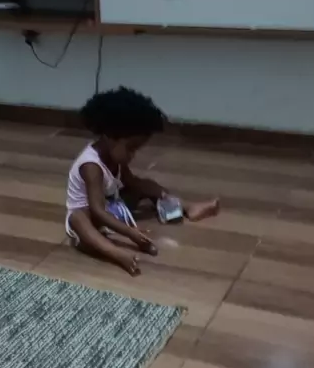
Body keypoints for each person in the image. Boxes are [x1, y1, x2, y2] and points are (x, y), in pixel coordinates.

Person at [66, 86, 220, 276]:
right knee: (78, 219)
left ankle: (186, 207)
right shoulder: (91, 166)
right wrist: (129, 232)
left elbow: (132, 183)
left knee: (144, 185)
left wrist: (150, 192)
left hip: (111, 206)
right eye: (130, 148)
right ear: (109, 137)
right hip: (92, 218)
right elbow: (97, 210)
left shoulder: (116, 158)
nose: (133, 155)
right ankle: (116, 253)